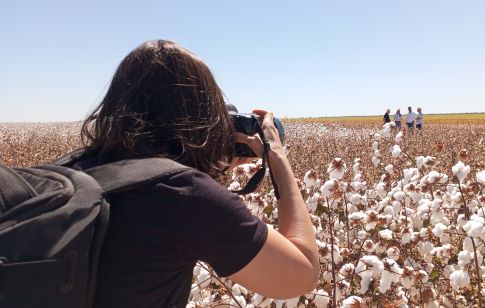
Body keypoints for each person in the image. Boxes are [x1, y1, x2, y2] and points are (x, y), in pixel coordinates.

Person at [69, 40, 319, 307]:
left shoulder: (70, 171)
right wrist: (276, 156)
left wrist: (213, 167)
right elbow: (301, 276)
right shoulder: (184, 195)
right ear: (203, 116)